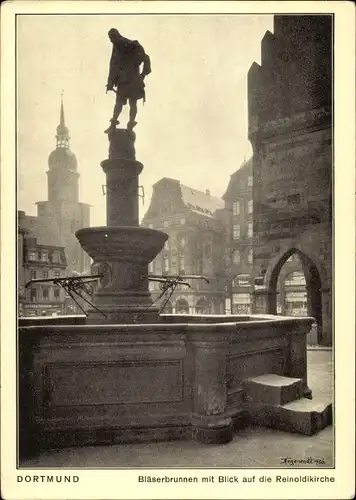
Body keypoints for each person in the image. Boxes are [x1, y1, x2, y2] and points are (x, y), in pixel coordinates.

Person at [105, 28, 151, 133]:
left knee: (132, 103)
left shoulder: (131, 44)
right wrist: (110, 83)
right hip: (122, 81)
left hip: (133, 80)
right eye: (110, 39)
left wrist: (143, 75)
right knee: (119, 103)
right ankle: (113, 124)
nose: (111, 41)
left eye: (112, 38)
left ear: (116, 36)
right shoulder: (116, 48)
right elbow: (113, 66)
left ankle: (130, 125)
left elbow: (146, 58)